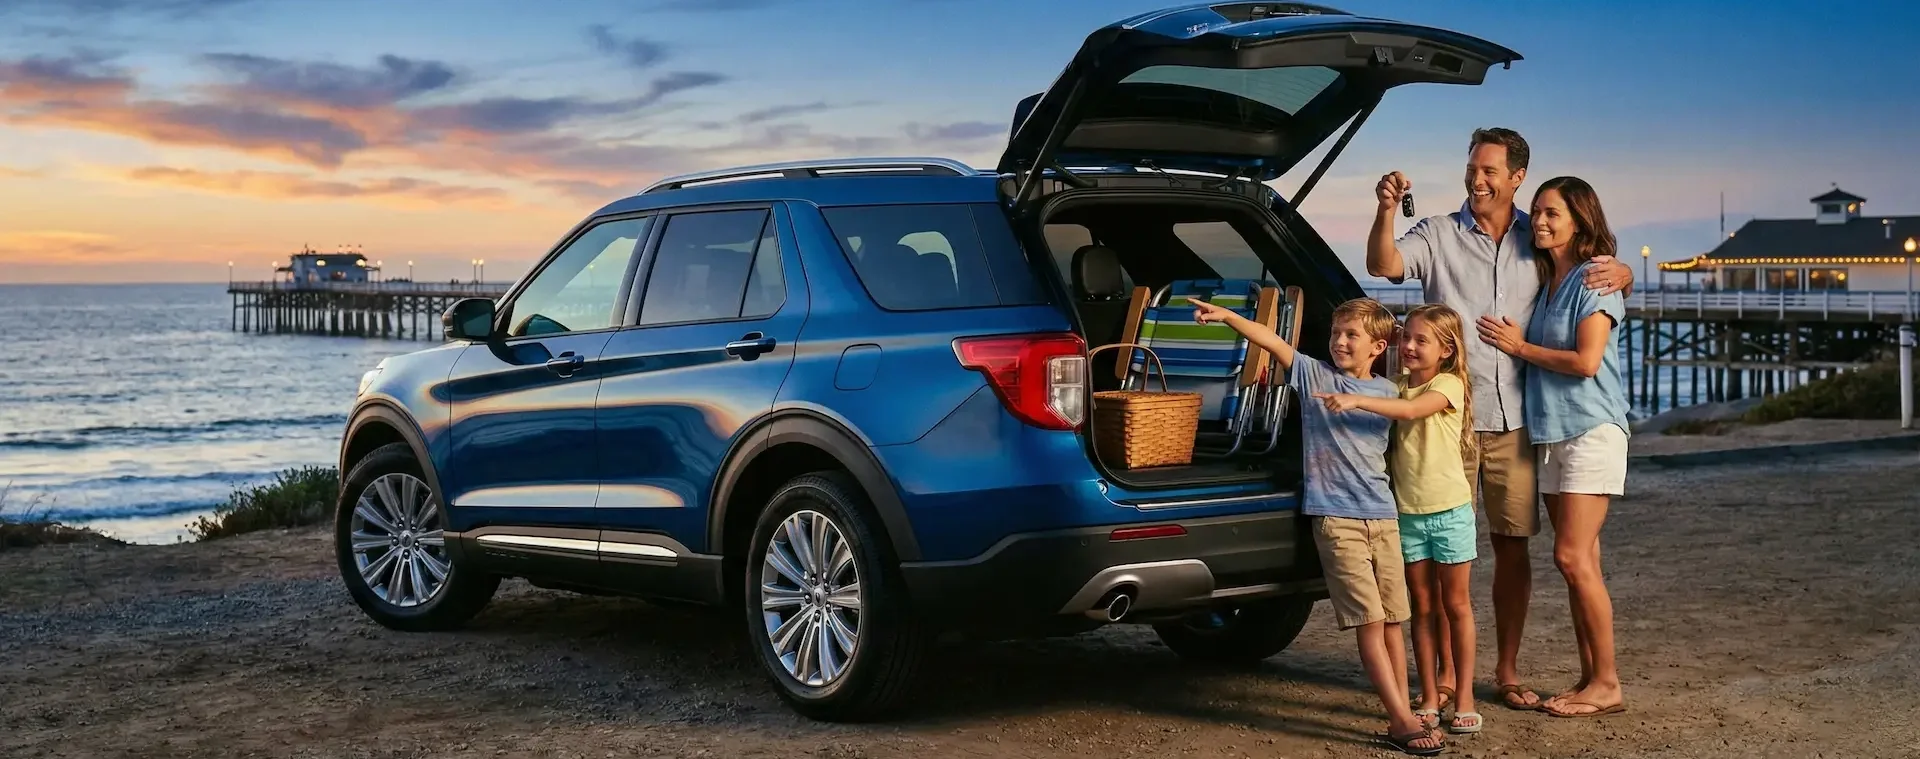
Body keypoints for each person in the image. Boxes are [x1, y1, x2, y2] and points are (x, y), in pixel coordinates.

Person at [1363, 127, 1635, 711]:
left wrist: (1625, 273)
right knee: (1434, 552)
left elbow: (1585, 270)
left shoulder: (1536, 242)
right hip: (1443, 425)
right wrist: (1386, 210)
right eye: (1472, 168)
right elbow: (1383, 264)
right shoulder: (1435, 232)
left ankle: (1506, 672)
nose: (1477, 179)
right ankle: (1436, 677)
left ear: (1517, 178)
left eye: (1490, 170)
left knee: (1514, 549)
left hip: (1518, 424)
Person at [1192, 297, 1444, 756]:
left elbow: (1429, 406)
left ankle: (1401, 704)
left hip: (1383, 516)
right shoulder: (1313, 376)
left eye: (1352, 335)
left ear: (1377, 346)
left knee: (1393, 620)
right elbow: (1273, 342)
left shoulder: (1390, 393)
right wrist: (1229, 317)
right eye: (1336, 333)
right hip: (1337, 519)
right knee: (1369, 620)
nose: (1340, 341)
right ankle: (1400, 718)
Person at [1476, 176, 1630, 719]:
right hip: (1550, 435)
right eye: (1536, 212)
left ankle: (1607, 683)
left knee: (1570, 556)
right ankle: (1590, 678)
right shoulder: (1548, 280)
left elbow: (1587, 363)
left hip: (1591, 430)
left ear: (1580, 220)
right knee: (1580, 560)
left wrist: (1520, 347)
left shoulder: (1594, 278)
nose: (1539, 222)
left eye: (1552, 214)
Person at [1313, 304, 1483, 736]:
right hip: (1405, 514)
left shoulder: (1448, 386)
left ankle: (1464, 696)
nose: (1408, 346)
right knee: (1420, 609)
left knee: (1457, 606)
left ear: (1446, 350)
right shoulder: (1393, 387)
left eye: (1420, 340)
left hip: (1449, 513)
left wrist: (1353, 397)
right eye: (1405, 337)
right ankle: (1427, 695)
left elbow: (1410, 412)